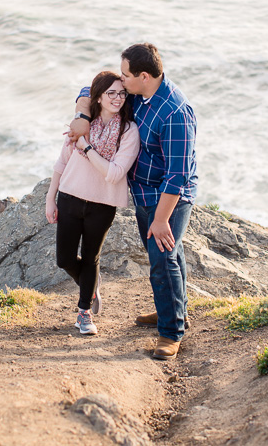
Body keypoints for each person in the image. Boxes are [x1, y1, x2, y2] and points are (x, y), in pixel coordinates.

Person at [71, 43, 197, 359]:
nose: (121, 80)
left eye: (126, 75)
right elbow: (91, 88)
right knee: (170, 254)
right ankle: (173, 310)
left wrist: (161, 219)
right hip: (143, 193)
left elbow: (177, 175)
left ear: (143, 75)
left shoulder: (175, 113)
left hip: (168, 198)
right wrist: (81, 115)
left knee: (163, 259)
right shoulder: (139, 93)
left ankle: (171, 332)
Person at [46, 71, 139, 335]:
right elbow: (62, 161)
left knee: (90, 257)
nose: (117, 98)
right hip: (70, 197)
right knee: (64, 259)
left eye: (122, 93)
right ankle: (91, 283)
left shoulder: (128, 130)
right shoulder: (82, 123)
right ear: (97, 97)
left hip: (102, 203)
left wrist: (86, 147)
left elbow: (114, 173)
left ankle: (84, 312)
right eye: (111, 93)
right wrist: (50, 198)